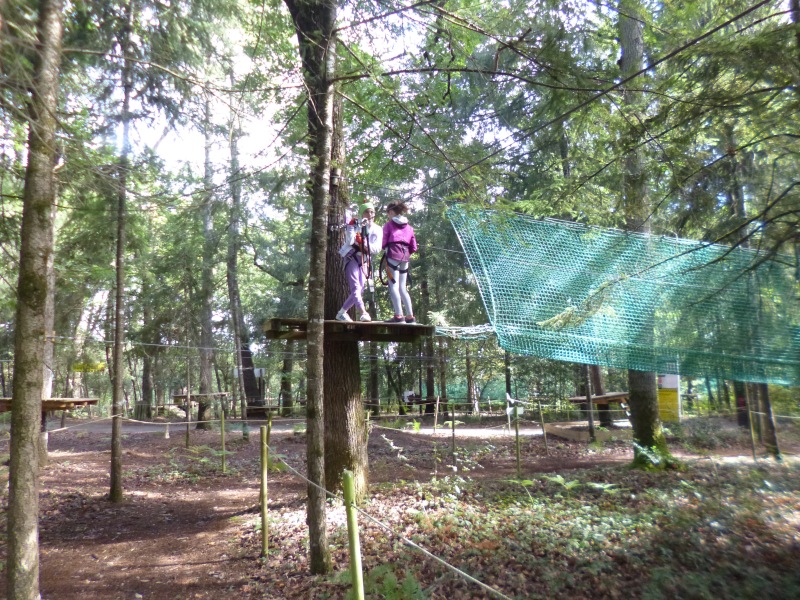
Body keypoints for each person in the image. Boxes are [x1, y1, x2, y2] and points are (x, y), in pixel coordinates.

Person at [336, 202, 382, 322]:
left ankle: (341, 312)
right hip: (351, 257)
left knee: (360, 289)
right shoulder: (355, 225)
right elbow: (350, 241)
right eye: (367, 212)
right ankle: (363, 312)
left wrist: (364, 244)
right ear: (361, 214)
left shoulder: (377, 229)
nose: (370, 214)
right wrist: (351, 227)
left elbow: (377, 248)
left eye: (372, 212)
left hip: (365, 260)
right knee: (356, 287)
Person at [382, 201, 417, 323]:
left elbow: (384, 242)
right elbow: (414, 247)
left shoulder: (389, 225)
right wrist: (405, 254)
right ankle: (410, 316)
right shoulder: (409, 228)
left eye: (388, 213)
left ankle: (398, 315)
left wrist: (386, 250)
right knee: (403, 287)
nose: (388, 216)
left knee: (393, 286)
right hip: (405, 257)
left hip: (393, 255)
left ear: (391, 212)